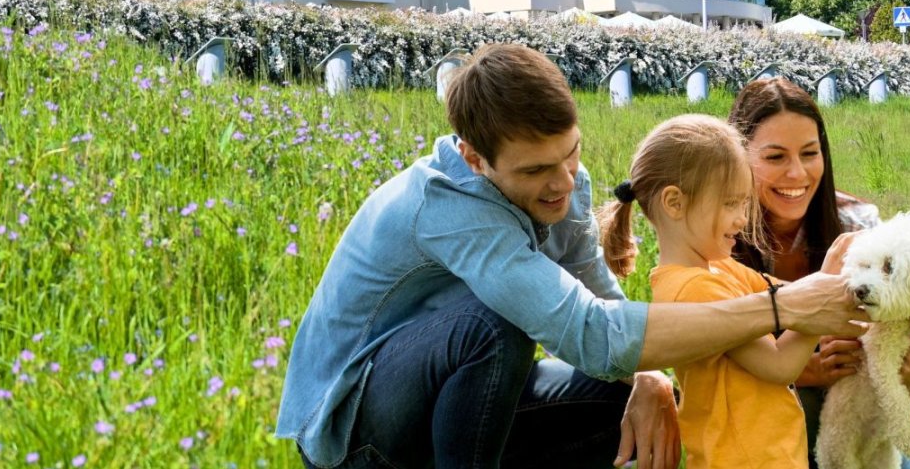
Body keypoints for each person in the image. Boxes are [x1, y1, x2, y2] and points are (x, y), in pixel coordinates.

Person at [276, 44, 869, 469]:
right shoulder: (450, 206)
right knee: (493, 326)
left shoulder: (564, 181)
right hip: (359, 432)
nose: (563, 182)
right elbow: (589, 336)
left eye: (571, 154)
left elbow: (600, 302)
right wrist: (782, 307)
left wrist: (650, 379)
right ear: (475, 158)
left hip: (457, 408)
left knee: (636, 396)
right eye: (536, 169)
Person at [598, 114, 826, 468]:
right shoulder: (692, 289)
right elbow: (781, 364)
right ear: (674, 203)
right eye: (730, 204)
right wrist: (822, 306)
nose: (741, 218)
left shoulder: (719, 267)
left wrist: (831, 282)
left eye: (744, 204)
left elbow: (787, 294)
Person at [728, 78, 910, 469]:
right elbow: (705, 352)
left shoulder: (859, 226)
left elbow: (909, 334)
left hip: (864, 427)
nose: (797, 174)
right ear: (736, 157)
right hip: (763, 436)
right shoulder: (719, 237)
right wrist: (790, 368)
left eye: (809, 153)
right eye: (775, 158)